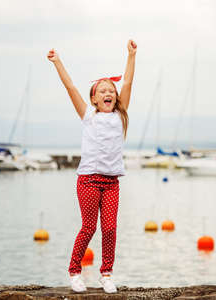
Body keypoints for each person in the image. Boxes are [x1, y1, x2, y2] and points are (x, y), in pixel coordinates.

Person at [47, 39, 137, 293]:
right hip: (88, 180)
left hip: (111, 182)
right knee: (89, 227)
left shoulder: (121, 116)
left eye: (112, 90)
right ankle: (75, 271)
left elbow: (128, 82)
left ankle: (106, 274)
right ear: (94, 99)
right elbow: (70, 86)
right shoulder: (88, 116)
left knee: (109, 228)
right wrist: (57, 62)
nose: (108, 93)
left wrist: (130, 55)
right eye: (103, 91)